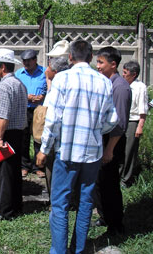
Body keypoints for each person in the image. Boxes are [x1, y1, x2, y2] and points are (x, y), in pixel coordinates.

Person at [36, 40, 118, 253]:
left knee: (61, 204)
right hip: (92, 153)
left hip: (67, 152)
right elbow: (112, 120)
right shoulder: (104, 82)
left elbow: (52, 119)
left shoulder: (62, 79)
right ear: (90, 58)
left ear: (70, 58)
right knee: (85, 205)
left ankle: (60, 251)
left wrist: (44, 149)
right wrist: (94, 130)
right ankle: (78, 249)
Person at [94, 46, 132, 235]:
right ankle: (105, 217)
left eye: (101, 62)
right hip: (104, 140)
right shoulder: (107, 83)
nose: (97, 66)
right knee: (101, 182)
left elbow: (119, 124)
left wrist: (109, 150)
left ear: (113, 64)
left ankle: (116, 225)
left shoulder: (120, 87)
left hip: (113, 142)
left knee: (110, 185)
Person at [0, 48, 27, 220]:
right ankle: (16, 206)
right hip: (19, 133)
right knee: (14, 172)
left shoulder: (4, 86)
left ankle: (5, 211)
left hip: (6, 134)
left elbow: (4, 116)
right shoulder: (19, 84)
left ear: (2, 67)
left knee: (3, 174)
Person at [15, 49, 47, 178]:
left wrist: (42, 96)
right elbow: (16, 90)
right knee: (24, 138)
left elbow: (49, 88)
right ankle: (24, 165)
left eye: (28, 61)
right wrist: (26, 96)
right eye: (24, 61)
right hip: (24, 109)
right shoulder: (19, 74)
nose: (26, 64)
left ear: (35, 60)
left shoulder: (44, 72)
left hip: (39, 110)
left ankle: (38, 166)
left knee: (39, 138)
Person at [41, 56, 70, 200]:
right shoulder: (62, 84)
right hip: (66, 138)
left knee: (53, 167)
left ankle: (55, 197)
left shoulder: (58, 87)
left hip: (56, 137)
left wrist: (44, 149)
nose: (46, 70)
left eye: (49, 68)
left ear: (56, 71)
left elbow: (53, 120)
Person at [120, 60, 148, 187]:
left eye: (126, 73)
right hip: (121, 121)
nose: (123, 75)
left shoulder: (140, 87)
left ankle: (125, 180)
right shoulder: (122, 85)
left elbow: (143, 109)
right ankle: (117, 176)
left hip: (132, 121)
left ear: (134, 74)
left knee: (129, 152)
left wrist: (140, 126)